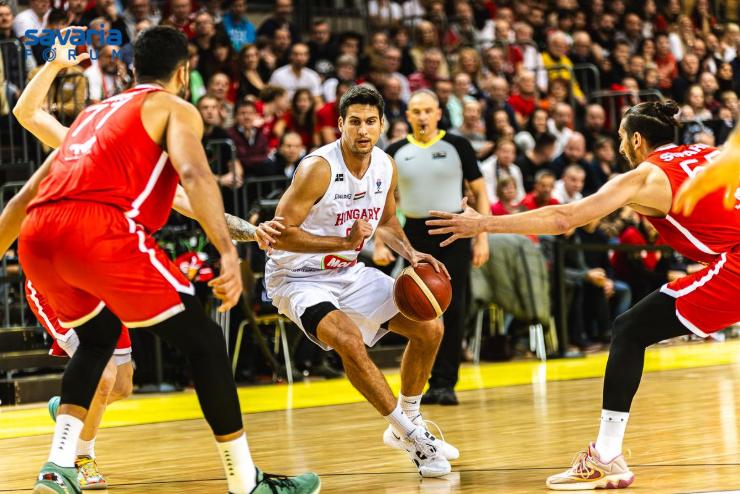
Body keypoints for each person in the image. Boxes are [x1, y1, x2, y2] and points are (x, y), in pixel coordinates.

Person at [14, 26, 318, 494]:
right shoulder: (140, 120)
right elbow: (196, 174)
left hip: (54, 242)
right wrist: (226, 254)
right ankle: (242, 480)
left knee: (110, 368)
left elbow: (190, 202)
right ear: (183, 73)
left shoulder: (107, 132)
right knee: (193, 345)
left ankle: (61, 455)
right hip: (91, 241)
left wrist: (248, 231)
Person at [426, 100, 740, 490]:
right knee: (633, 327)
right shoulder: (709, 154)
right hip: (729, 257)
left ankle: (605, 457)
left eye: (622, 138)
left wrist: (484, 223)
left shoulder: (646, 176)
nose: (621, 147)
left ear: (636, 139)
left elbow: (564, 218)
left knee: (630, 330)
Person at [266, 85, 458, 478]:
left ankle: (409, 420)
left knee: (430, 327)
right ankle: (413, 438)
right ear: (340, 124)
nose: (363, 130)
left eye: (371, 121)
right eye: (354, 122)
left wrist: (411, 254)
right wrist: (343, 242)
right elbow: (279, 235)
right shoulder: (318, 168)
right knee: (349, 340)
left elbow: (386, 221)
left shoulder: (385, 166)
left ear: (382, 125)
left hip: (347, 271)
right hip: (298, 277)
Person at [385, 89, 490, 405]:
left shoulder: (458, 145)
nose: (422, 117)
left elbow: (481, 191)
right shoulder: (394, 151)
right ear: (408, 116)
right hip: (415, 235)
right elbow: (384, 202)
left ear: (439, 114)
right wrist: (380, 241)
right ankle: (420, 385)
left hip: (454, 231)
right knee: (418, 309)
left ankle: (445, 383)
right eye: (416, 111)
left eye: (428, 111)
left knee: (454, 309)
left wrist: (482, 236)